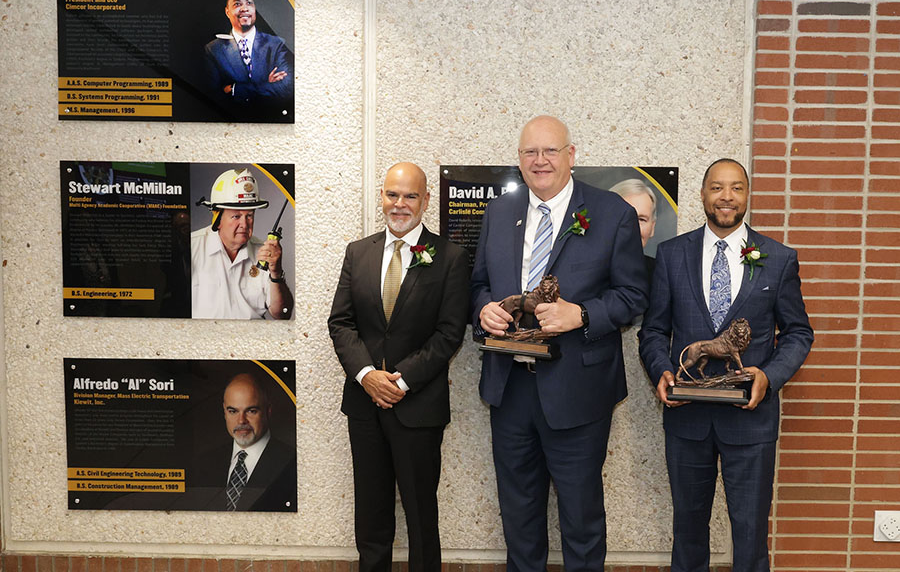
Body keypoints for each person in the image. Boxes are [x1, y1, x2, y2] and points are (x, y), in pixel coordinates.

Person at [470, 115, 648, 572]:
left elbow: (633, 295)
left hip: (578, 390)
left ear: (572, 155)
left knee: (581, 518)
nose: (540, 160)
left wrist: (582, 314)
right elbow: (479, 285)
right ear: (519, 160)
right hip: (510, 390)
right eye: (531, 152)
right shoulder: (498, 212)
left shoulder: (612, 214)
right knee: (519, 517)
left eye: (551, 151)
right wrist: (484, 309)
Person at [638, 158, 814, 572]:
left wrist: (769, 377)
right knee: (688, 532)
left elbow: (798, 333)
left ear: (747, 196)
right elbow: (652, 331)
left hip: (750, 424)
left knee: (750, 536)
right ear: (702, 195)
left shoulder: (778, 258)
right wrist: (661, 371)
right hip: (687, 420)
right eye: (717, 187)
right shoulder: (671, 255)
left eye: (736, 188)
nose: (726, 197)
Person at [328, 162, 470, 572]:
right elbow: (341, 323)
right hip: (364, 406)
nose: (400, 204)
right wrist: (367, 376)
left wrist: (401, 381)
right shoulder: (359, 252)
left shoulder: (450, 258)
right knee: (371, 516)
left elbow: (448, 335)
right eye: (393, 194)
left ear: (426, 200)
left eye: (410, 196)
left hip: (418, 408)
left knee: (421, 516)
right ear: (382, 198)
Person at [191, 168, 294, 319]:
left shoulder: (264, 254)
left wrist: (276, 273)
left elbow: (282, 315)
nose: (244, 224)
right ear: (217, 219)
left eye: (250, 216)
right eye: (236, 216)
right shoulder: (191, 248)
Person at [191, 372, 297, 512]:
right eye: (233, 411)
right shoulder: (206, 461)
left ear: (268, 411)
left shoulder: (293, 463)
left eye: (251, 411)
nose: (241, 421)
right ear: (224, 412)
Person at [203, 0, 293, 120]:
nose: (245, 8)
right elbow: (213, 98)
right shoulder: (213, 50)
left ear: (255, 9)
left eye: (249, 3)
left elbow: (286, 89)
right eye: (237, 4)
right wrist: (266, 83)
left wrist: (234, 90)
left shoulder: (277, 44)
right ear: (227, 12)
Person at [609, 178, 658, 277]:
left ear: (652, 227)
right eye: (625, 217)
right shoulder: (586, 271)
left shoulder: (660, 273)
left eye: (642, 219)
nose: (634, 227)